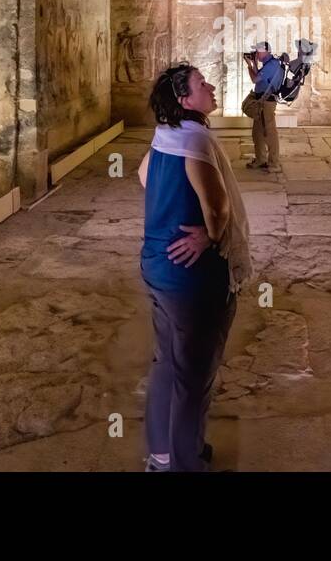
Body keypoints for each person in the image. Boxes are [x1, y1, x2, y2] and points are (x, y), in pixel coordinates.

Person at [138, 64, 252, 472]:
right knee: (193, 375)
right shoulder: (195, 139)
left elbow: (143, 173)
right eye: (203, 84)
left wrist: (171, 208)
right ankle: (185, 463)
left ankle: (160, 454)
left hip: (155, 263)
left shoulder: (165, 133)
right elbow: (218, 209)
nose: (213, 86)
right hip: (189, 277)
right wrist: (209, 234)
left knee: (166, 361)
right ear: (186, 100)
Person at [241, 42, 285, 171]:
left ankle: (274, 163)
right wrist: (254, 64)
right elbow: (259, 77)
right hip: (261, 102)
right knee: (257, 133)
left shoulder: (272, 64)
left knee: (270, 133)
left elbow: (255, 79)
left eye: (258, 51)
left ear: (265, 51)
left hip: (267, 103)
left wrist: (249, 65)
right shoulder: (268, 64)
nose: (256, 54)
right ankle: (261, 159)